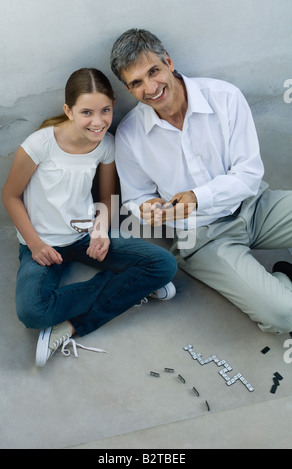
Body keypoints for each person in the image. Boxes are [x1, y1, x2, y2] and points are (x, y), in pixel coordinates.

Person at [110, 29, 292, 334]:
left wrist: (197, 196)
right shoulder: (129, 136)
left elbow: (248, 175)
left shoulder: (226, 97)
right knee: (283, 315)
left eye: (154, 71)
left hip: (255, 205)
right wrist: (150, 209)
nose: (151, 88)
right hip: (203, 237)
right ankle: (283, 277)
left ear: (168, 62)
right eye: (136, 83)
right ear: (129, 90)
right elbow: (135, 198)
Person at [2, 67, 177, 367]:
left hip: (85, 236)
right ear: (68, 110)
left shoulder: (106, 144)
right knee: (32, 312)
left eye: (105, 110)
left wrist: (100, 232)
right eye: (86, 112)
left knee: (164, 264)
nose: (98, 122)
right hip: (43, 245)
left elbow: (106, 199)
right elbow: (10, 196)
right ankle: (131, 286)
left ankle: (71, 327)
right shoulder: (40, 145)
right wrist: (34, 244)